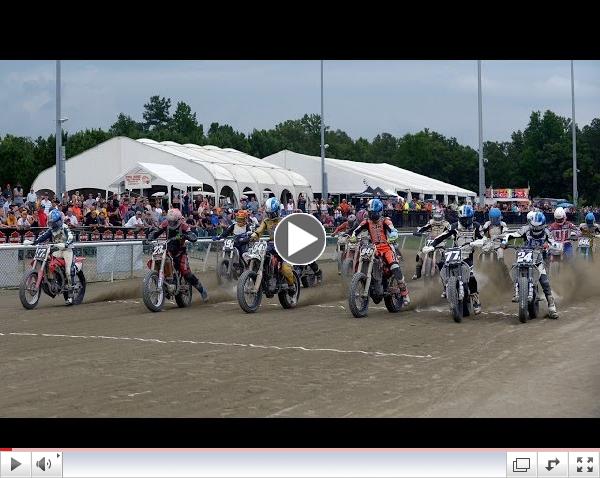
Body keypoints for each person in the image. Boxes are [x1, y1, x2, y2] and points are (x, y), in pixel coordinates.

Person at [423, 204, 483, 314]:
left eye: (467, 219)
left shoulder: (477, 226)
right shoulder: (454, 226)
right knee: (442, 265)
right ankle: (446, 287)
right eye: (463, 219)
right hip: (456, 252)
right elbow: (442, 236)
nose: (465, 221)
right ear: (459, 218)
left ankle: (475, 299)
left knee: (471, 276)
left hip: (468, 255)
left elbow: (484, 238)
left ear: (472, 217)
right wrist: (432, 245)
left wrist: (480, 242)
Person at [349, 198, 410, 305]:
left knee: (394, 267)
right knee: (362, 258)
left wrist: (393, 236)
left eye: (374, 213)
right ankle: (364, 280)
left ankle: (404, 293)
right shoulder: (366, 222)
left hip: (386, 247)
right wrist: (353, 236)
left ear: (380, 211)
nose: (372, 215)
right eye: (370, 212)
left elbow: (393, 230)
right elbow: (356, 230)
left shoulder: (385, 220)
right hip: (374, 248)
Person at [501, 211, 559, 319]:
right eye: (534, 226)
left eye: (539, 226)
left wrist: (550, 246)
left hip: (537, 259)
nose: (536, 229)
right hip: (524, 256)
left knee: (544, 282)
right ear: (531, 224)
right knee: (513, 268)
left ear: (543, 224)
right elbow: (513, 235)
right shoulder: (525, 229)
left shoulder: (546, 232)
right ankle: (517, 291)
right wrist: (505, 241)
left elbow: (553, 242)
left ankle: (552, 306)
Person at [147, 208, 208, 301]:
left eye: (173, 221)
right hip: (168, 250)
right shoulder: (165, 223)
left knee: (186, 272)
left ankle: (202, 290)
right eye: (170, 221)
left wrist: (188, 236)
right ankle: (162, 284)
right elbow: (157, 231)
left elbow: (192, 235)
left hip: (180, 252)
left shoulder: (183, 225)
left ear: (178, 219)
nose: (171, 223)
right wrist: (150, 237)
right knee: (156, 262)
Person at [249, 197, 297, 290]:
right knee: (259, 256)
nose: (271, 215)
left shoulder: (284, 220)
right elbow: (259, 230)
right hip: (271, 244)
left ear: (278, 210)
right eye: (269, 213)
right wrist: (253, 236)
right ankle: (265, 275)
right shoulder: (266, 221)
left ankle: (292, 285)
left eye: (273, 213)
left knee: (285, 268)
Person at [30, 209, 76, 304]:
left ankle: (70, 296)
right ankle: (52, 279)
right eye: (51, 222)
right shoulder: (51, 229)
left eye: (54, 222)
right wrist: (34, 242)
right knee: (48, 262)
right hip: (58, 250)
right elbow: (43, 236)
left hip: (67, 250)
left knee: (68, 270)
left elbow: (71, 236)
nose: (52, 224)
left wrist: (67, 244)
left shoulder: (64, 227)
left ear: (59, 220)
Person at [412, 208, 451, 280]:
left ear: (442, 216)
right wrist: (418, 231)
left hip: (441, 244)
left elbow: (451, 231)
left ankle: (446, 275)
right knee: (420, 254)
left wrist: (450, 235)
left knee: (446, 258)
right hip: (430, 243)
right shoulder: (431, 222)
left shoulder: (446, 224)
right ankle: (417, 274)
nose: (437, 218)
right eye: (436, 216)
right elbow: (424, 228)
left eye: (439, 216)